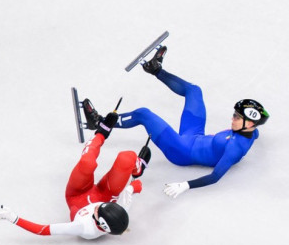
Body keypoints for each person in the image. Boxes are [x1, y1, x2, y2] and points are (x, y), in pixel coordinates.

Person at [94, 45, 268, 199]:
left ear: (250, 123)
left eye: (237, 117)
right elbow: (256, 135)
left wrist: (185, 185)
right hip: (194, 134)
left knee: (143, 114)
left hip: (182, 151)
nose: (232, 118)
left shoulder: (235, 149)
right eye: (234, 114)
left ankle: (101, 123)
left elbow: (215, 177)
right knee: (194, 90)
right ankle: (156, 70)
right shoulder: (253, 131)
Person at [0, 109, 150, 239]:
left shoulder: (82, 227)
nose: (97, 207)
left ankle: (100, 133)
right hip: (105, 194)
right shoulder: (121, 207)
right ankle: (127, 157)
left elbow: (43, 230)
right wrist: (134, 186)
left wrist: (13, 218)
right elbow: (128, 193)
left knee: (86, 164)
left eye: (98, 209)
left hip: (77, 195)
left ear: (100, 222)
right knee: (127, 158)